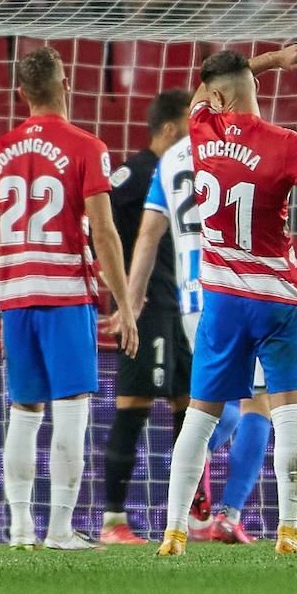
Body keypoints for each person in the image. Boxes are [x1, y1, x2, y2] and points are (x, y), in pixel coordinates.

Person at [156, 46, 297, 557]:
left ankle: (174, 533)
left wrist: (270, 58)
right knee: (287, 413)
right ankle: (288, 531)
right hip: (276, 299)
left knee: (200, 418)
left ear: (218, 96)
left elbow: (204, 90)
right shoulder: (286, 144)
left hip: (220, 298)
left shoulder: (201, 130)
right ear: (255, 89)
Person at [0, 47, 139, 551]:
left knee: (24, 411)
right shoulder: (87, 146)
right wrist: (124, 303)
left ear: (19, 93)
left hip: (18, 294)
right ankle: (61, 529)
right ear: (66, 83)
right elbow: (106, 232)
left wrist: (7, 292)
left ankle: (20, 529)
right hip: (67, 293)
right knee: (71, 408)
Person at [124, 113, 275, 545]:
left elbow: (149, 236)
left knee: (210, 404)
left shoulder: (171, 158)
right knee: (257, 403)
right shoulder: (243, 149)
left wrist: (131, 302)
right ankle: (227, 514)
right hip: (242, 288)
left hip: (193, 299)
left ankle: (190, 503)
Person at [98, 90, 195, 546]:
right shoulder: (134, 172)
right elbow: (95, 224)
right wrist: (121, 293)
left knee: (190, 410)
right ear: (171, 129)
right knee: (134, 408)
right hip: (146, 307)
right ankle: (114, 521)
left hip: (182, 306)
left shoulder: (183, 173)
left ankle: (190, 517)